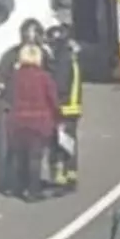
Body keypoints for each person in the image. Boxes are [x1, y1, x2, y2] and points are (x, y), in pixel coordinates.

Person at [4, 42, 60, 201]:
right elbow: (52, 99)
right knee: (34, 158)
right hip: (39, 123)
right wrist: (57, 115)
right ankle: (33, 191)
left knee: (20, 156)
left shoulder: (14, 77)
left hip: (17, 122)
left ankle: (20, 187)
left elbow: (8, 98)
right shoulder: (44, 77)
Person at [45, 22, 83, 191]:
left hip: (63, 107)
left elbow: (60, 85)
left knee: (59, 144)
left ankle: (62, 180)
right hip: (73, 107)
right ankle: (71, 175)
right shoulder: (71, 56)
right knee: (69, 142)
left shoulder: (61, 59)